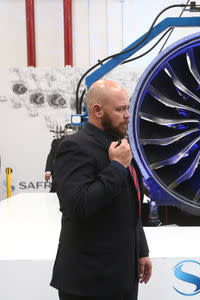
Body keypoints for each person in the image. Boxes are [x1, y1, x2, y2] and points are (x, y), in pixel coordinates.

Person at [50, 79, 152, 300]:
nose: (127, 115)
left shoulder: (120, 146)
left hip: (123, 277)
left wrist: (141, 251)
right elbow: (77, 205)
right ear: (97, 110)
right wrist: (116, 167)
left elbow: (130, 206)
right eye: (121, 109)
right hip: (88, 282)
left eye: (128, 107)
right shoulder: (74, 147)